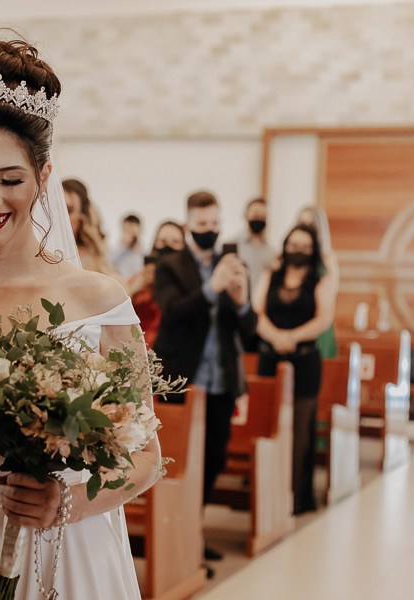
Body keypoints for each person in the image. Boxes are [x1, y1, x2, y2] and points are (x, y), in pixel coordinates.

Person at [0, 37, 161, 599]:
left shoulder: (95, 298)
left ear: (43, 177)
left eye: (10, 179)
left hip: (55, 550)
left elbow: (146, 457)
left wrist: (68, 503)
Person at [152, 191, 254, 565]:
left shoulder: (233, 263)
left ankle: (193, 531)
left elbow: (250, 331)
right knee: (178, 461)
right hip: (181, 378)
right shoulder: (170, 264)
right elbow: (173, 311)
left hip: (222, 379)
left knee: (214, 458)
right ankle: (174, 537)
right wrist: (212, 288)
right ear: (187, 225)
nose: (209, 231)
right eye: (201, 225)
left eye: (214, 224)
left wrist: (242, 300)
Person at [253, 224, 335, 515]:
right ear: (285, 246)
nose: (297, 251)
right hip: (269, 358)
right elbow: (257, 311)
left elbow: (323, 320)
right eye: (293, 245)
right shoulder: (270, 276)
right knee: (267, 425)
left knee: (300, 430)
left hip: (305, 361)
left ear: (312, 251)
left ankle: (296, 498)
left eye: (304, 246)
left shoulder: (318, 282)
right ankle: (264, 494)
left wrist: (291, 337)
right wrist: (275, 336)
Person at [130, 221, 186, 348]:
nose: (168, 246)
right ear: (155, 243)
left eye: (175, 242)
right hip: (141, 349)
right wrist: (132, 291)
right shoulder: (139, 278)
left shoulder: (190, 282)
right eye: (163, 242)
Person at [297, 205, 340, 359]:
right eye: (302, 224)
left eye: (311, 225)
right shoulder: (289, 258)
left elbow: (330, 296)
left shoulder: (328, 259)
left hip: (319, 327)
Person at [62, 178, 117, 277]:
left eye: (69, 210)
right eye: (57, 208)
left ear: (82, 217)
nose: (61, 217)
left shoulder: (94, 258)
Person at [233, 197, 276, 292]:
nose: (259, 219)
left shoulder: (272, 252)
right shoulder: (233, 245)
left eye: (263, 216)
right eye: (256, 215)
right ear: (245, 215)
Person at [108, 213, 145, 279]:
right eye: (126, 230)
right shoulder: (117, 250)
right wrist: (122, 245)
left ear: (140, 230)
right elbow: (108, 262)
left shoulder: (145, 252)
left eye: (132, 230)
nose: (129, 234)